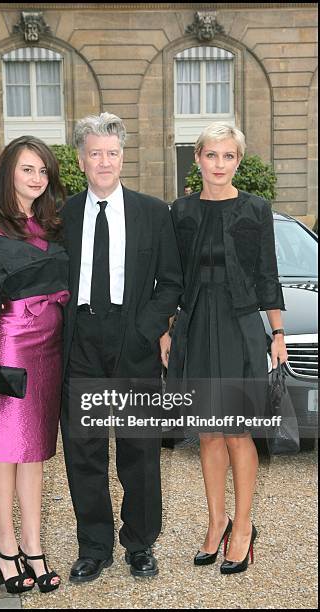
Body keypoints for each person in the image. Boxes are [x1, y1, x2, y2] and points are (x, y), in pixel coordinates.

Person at [60, 113, 183, 583]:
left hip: (134, 342)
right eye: (95, 153)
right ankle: (93, 546)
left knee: (139, 449)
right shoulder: (63, 215)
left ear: (122, 157)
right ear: (81, 159)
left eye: (112, 152)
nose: (104, 161)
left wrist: (143, 330)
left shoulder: (153, 213)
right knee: (84, 449)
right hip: (81, 342)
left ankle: (140, 544)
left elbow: (170, 282)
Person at [163, 122, 288, 575]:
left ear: (238, 161)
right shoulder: (180, 212)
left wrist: (277, 333)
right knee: (208, 431)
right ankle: (217, 521)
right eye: (211, 155)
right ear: (196, 158)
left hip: (238, 327)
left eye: (228, 156)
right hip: (195, 327)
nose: (219, 164)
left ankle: (244, 526)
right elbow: (171, 277)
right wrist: (167, 328)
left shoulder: (256, 209)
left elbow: (266, 273)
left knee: (236, 430)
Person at [0, 136, 70, 593]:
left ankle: (33, 545)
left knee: (35, 452)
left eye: (43, 171)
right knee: (5, 450)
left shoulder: (50, 224)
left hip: (49, 345)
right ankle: (6, 548)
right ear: (8, 172)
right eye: (28, 169)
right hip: (7, 344)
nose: (37, 178)